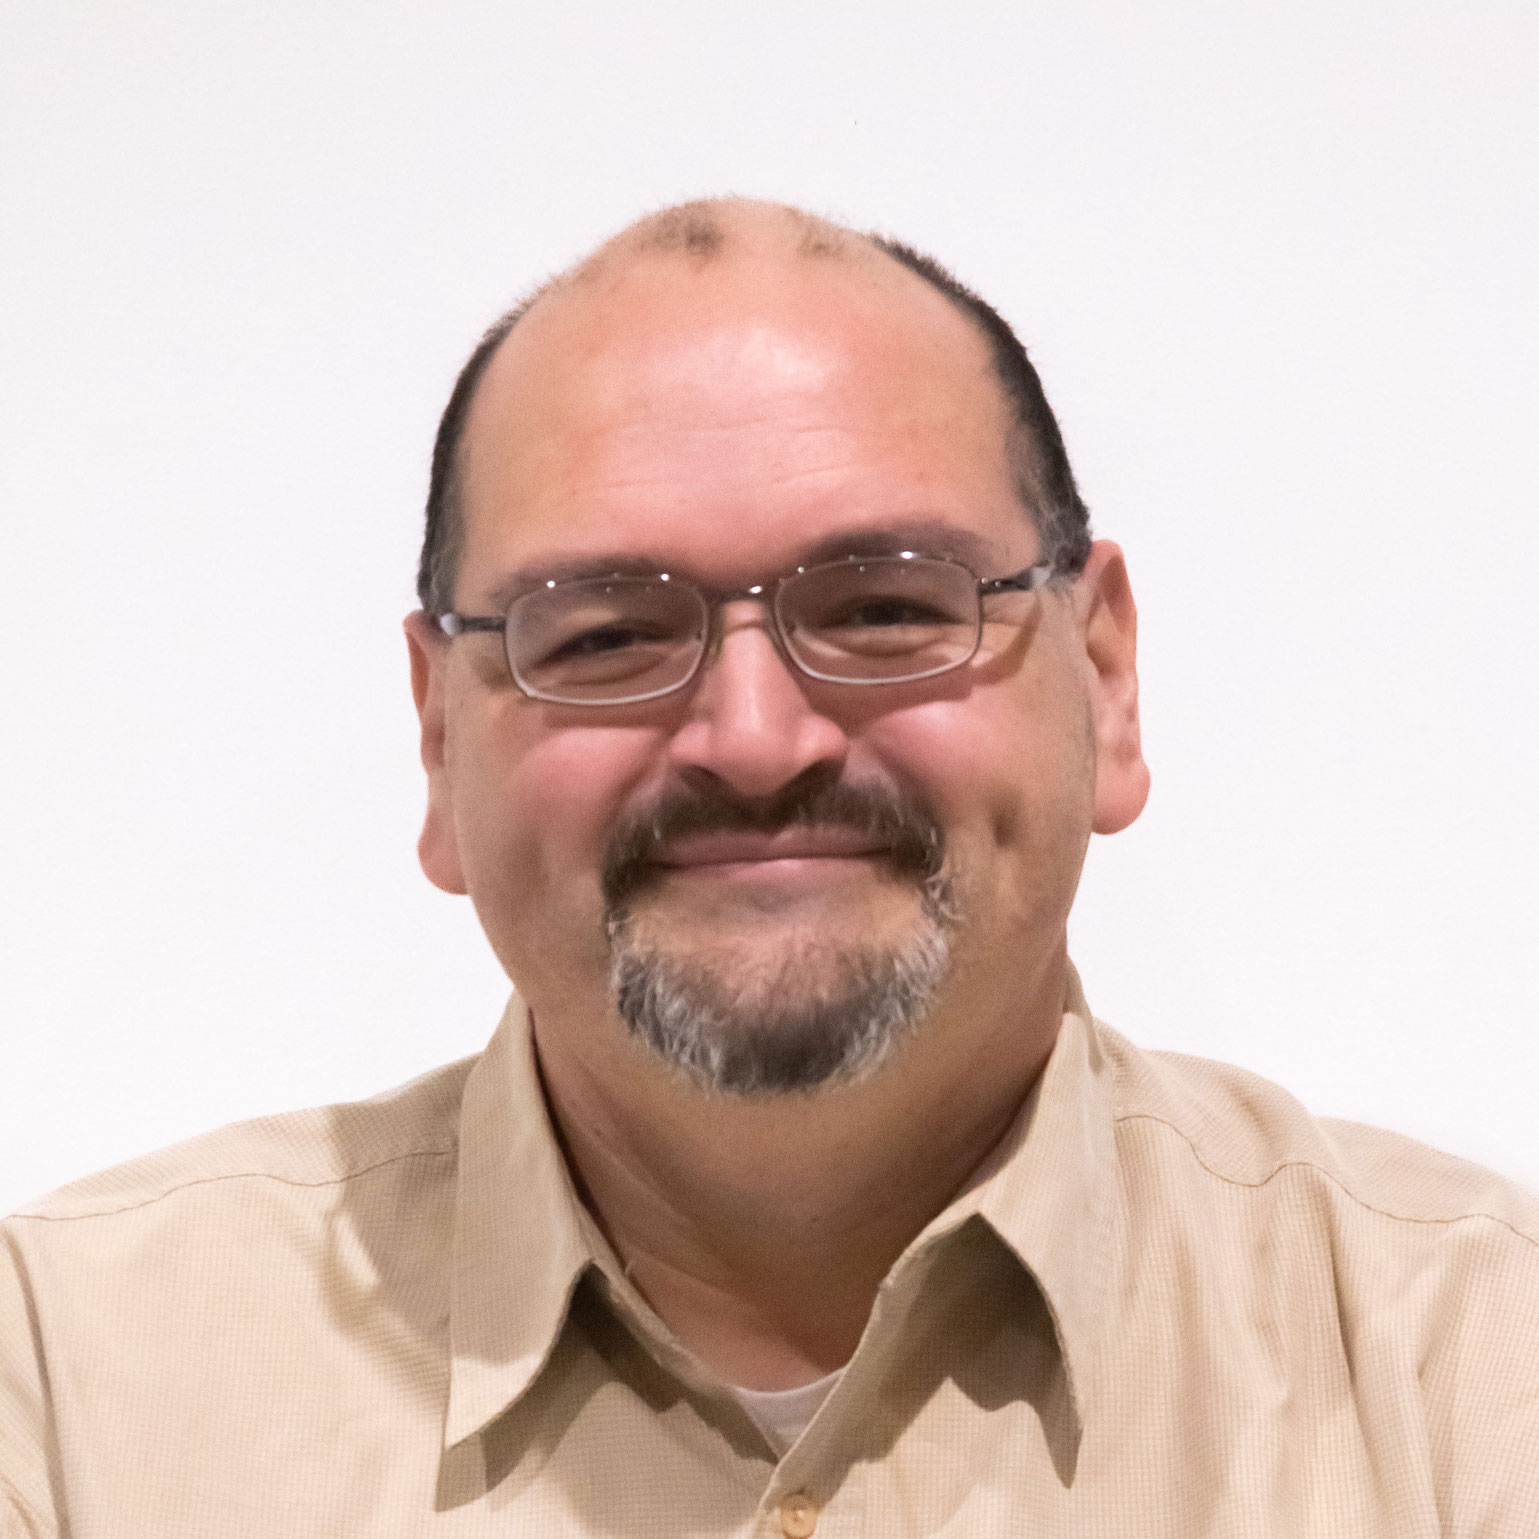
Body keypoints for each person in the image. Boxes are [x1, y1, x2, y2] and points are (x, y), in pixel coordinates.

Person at [3, 198, 1536, 1537]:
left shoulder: (1476, 1373)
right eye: (605, 635)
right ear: (437, 740)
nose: (752, 738)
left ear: (1108, 677)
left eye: (884, 607)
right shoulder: (71, 1398)